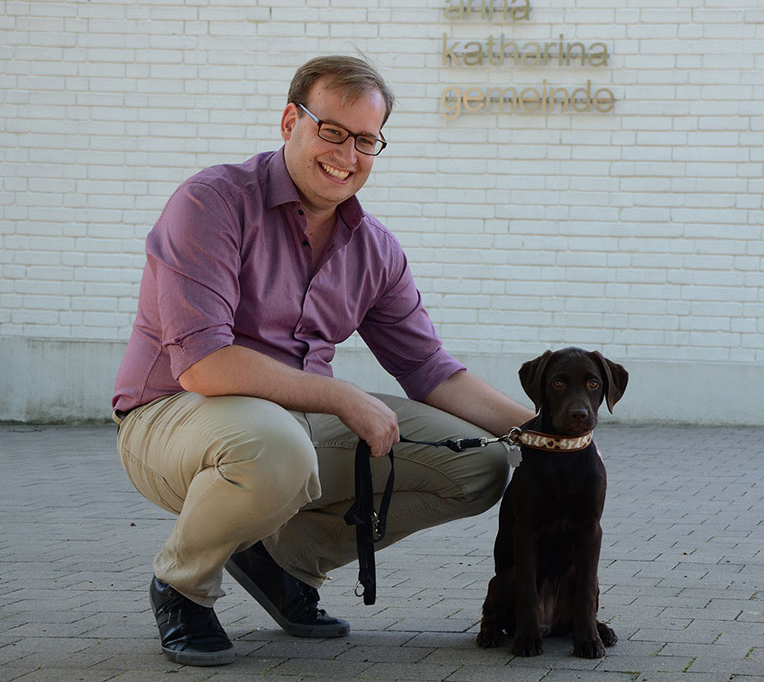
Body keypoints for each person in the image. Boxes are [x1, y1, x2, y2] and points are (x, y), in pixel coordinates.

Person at [112, 55, 533, 667]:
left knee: (483, 466)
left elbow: (431, 370)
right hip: (172, 418)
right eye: (331, 130)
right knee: (276, 446)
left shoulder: (374, 249)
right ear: (291, 122)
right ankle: (183, 586)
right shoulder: (213, 202)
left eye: (366, 140)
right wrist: (341, 396)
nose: (347, 153)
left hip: (291, 425)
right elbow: (204, 365)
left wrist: (548, 432)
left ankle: (283, 560)